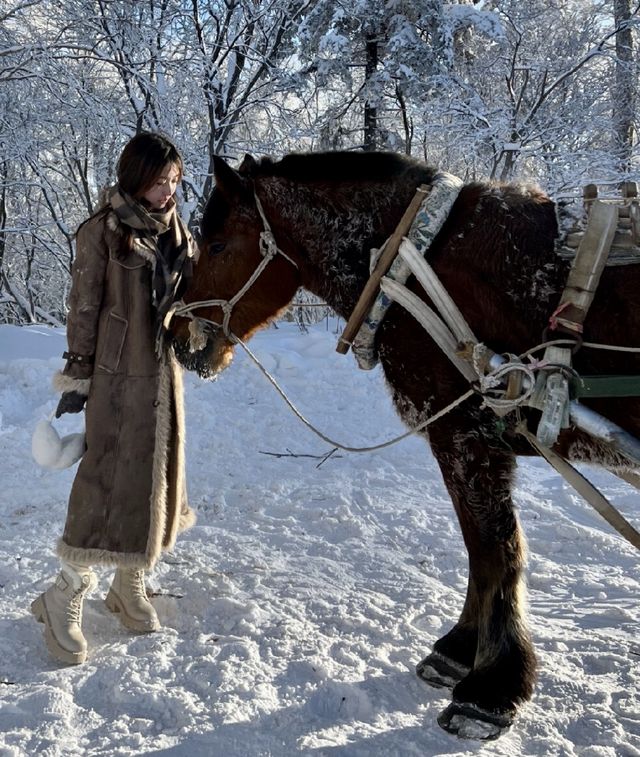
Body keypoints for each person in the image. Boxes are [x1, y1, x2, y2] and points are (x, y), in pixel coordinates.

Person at [31, 132, 198, 664]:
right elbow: (83, 306)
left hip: (162, 379)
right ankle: (64, 594)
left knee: (156, 474)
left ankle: (130, 583)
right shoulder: (101, 230)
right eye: (158, 181)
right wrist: (78, 377)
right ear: (135, 178)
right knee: (106, 476)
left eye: (174, 180)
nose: (168, 191)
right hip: (115, 378)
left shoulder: (177, 230)